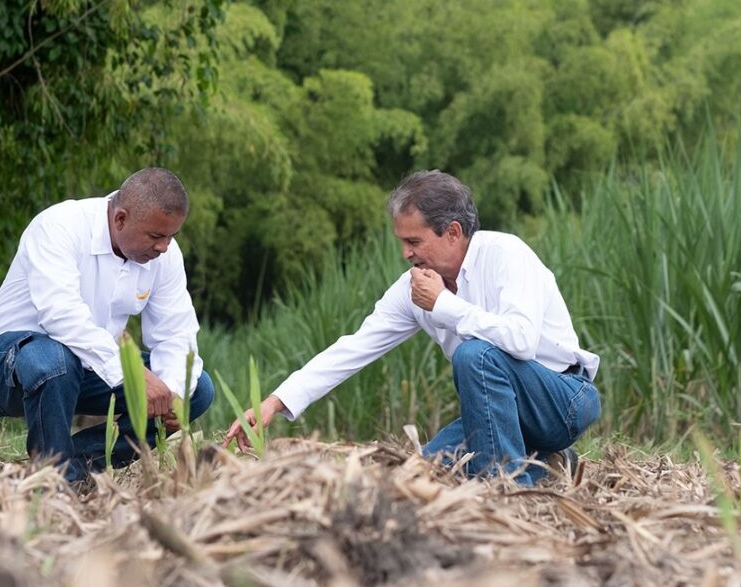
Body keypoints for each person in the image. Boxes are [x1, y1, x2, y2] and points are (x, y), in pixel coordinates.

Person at [223, 170, 600, 486]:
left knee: (475, 355)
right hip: (498, 414)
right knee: (425, 471)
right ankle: (548, 464)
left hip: (562, 400)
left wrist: (444, 304)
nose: (406, 254)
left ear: (453, 232)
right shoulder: (412, 289)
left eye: (413, 241)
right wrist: (274, 401)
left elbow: (520, 341)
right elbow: (353, 348)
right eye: (402, 242)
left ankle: (506, 491)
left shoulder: (505, 254)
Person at [0, 167, 214, 483]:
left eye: (171, 236)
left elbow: (176, 333)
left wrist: (174, 392)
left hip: (84, 367)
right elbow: (61, 317)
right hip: (2, 364)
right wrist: (133, 374)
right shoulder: (59, 226)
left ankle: (79, 462)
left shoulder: (165, 256)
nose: (164, 247)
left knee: (198, 388)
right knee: (54, 359)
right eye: (156, 236)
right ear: (120, 218)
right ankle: (52, 479)